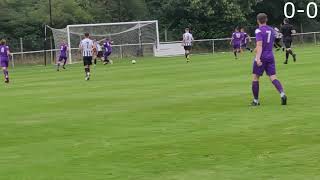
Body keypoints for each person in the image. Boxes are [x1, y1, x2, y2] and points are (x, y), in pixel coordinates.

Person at [251, 13, 287, 106]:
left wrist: (258, 58)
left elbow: (260, 45)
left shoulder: (258, 30)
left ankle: (256, 101)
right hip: (270, 56)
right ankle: (282, 94)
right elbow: (278, 38)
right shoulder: (271, 29)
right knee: (273, 77)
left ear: (258, 20)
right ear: (266, 20)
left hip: (262, 56)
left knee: (255, 78)